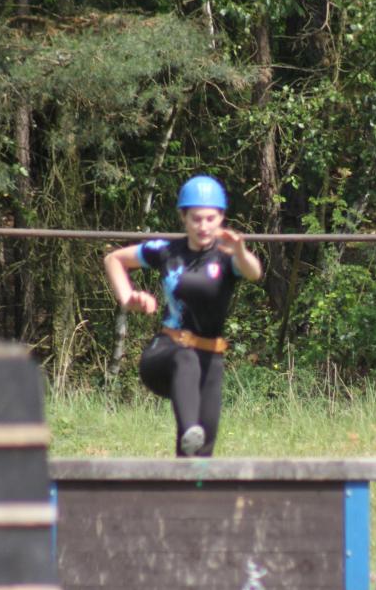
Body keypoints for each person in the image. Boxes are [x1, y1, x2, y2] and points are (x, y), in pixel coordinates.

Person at [104, 175, 262, 457]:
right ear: (183, 218)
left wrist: (239, 250)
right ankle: (190, 429)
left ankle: (192, 471)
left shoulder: (227, 257)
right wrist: (127, 297)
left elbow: (254, 272)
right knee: (185, 357)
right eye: (196, 219)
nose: (203, 226)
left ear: (221, 218)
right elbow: (114, 259)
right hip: (165, 353)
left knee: (202, 451)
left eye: (210, 219)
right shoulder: (166, 250)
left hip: (211, 357)